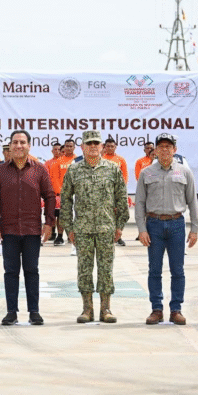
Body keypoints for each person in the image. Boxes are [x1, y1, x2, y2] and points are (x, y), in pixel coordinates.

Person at [0, 130, 55, 326]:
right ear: (10, 146)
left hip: (32, 231)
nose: (19, 146)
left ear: (29, 146)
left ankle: (34, 311)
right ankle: (11, 312)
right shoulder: (0, 171)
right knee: (10, 272)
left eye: (22, 142)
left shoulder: (39, 170)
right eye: (15, 142)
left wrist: (49, 223)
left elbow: (50, 196)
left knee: (32, 271)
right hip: (8, 230)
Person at [60, 131, 129, 323]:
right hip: (82, 229)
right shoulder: (74, 170)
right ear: (82, 147)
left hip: (106, 228)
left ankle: (105, 308)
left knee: (106, 269)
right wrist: (69, 228)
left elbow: (121, 198)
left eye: (96, 143)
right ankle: (87, 309)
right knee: (84, 269)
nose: (92, 147)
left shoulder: (112, 169)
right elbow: (65, 199)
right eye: (88, 143)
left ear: (101, 147)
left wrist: (120, 224)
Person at [135, 133, 198, 325]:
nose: (165, 150)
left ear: (175, 150)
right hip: (153, 225)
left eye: (168, 146)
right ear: (155, 150)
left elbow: (192, 202)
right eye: (161, 146)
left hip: (177, 224)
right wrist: (141, 229)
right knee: (154, 270)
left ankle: (176, 309)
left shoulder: (184, 172)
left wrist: (194, 228)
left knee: (177, 270)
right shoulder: (146, 173)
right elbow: (139, 203)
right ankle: (156, 309)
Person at [102, 137, 129, 247]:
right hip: (104, 192)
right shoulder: (101, 158)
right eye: (108, 146)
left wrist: (122, 189)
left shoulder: (120, 159)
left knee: (119, 213)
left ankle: (118, 236)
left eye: (112, 146)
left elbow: (125, 175)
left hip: (117, 191)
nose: (110, 148)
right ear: (104, 147)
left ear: (115, 147)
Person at [50, 138, 77, 245]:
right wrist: (61, 192)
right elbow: (54, 178)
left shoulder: (79, 160)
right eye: (67, 146)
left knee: (76, 216)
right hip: (63, 194)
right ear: (64, 147)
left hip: (77, 194)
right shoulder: (58, 162)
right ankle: (60, 236)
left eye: (71, 146)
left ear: (74, 147)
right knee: (61, 216)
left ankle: (73, 236)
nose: (69, 148)